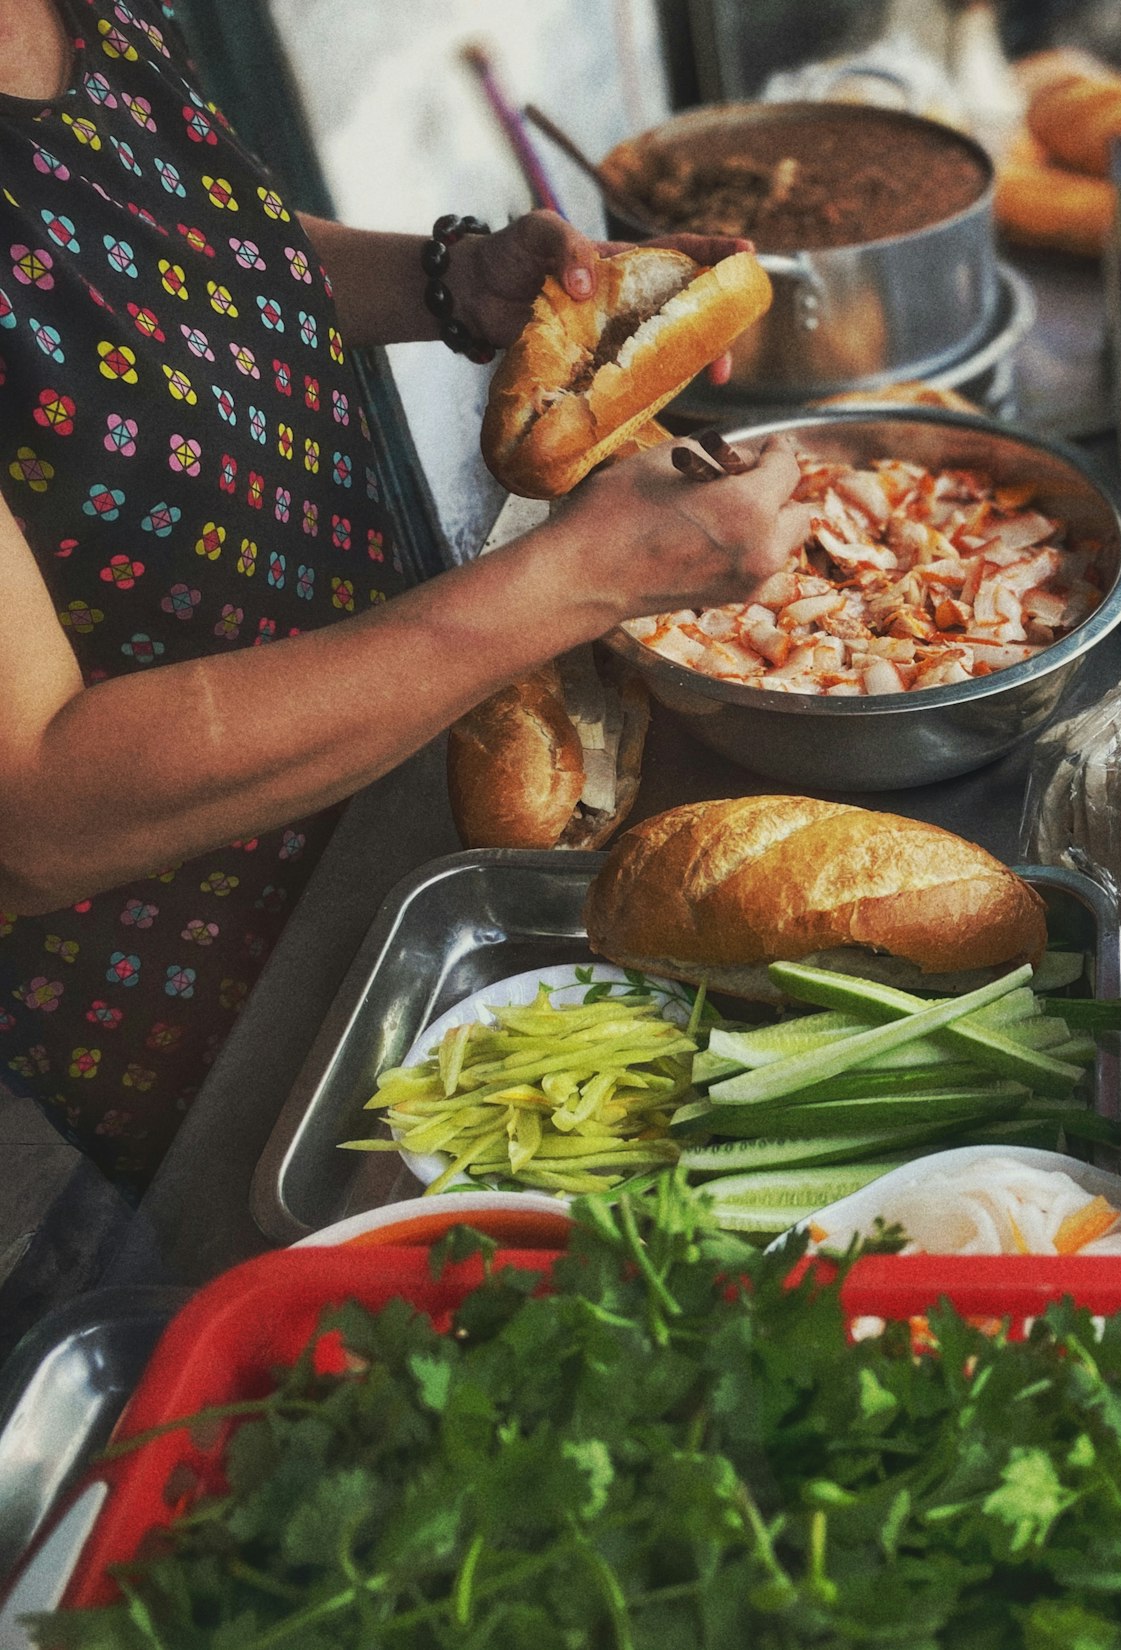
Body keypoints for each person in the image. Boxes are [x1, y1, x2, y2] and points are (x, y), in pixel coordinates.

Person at [0, 0, 812, 1189]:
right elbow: (37, 815)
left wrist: (447, 286)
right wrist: (578, 576)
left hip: (412, 761)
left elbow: (167, 261)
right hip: (210, 972)